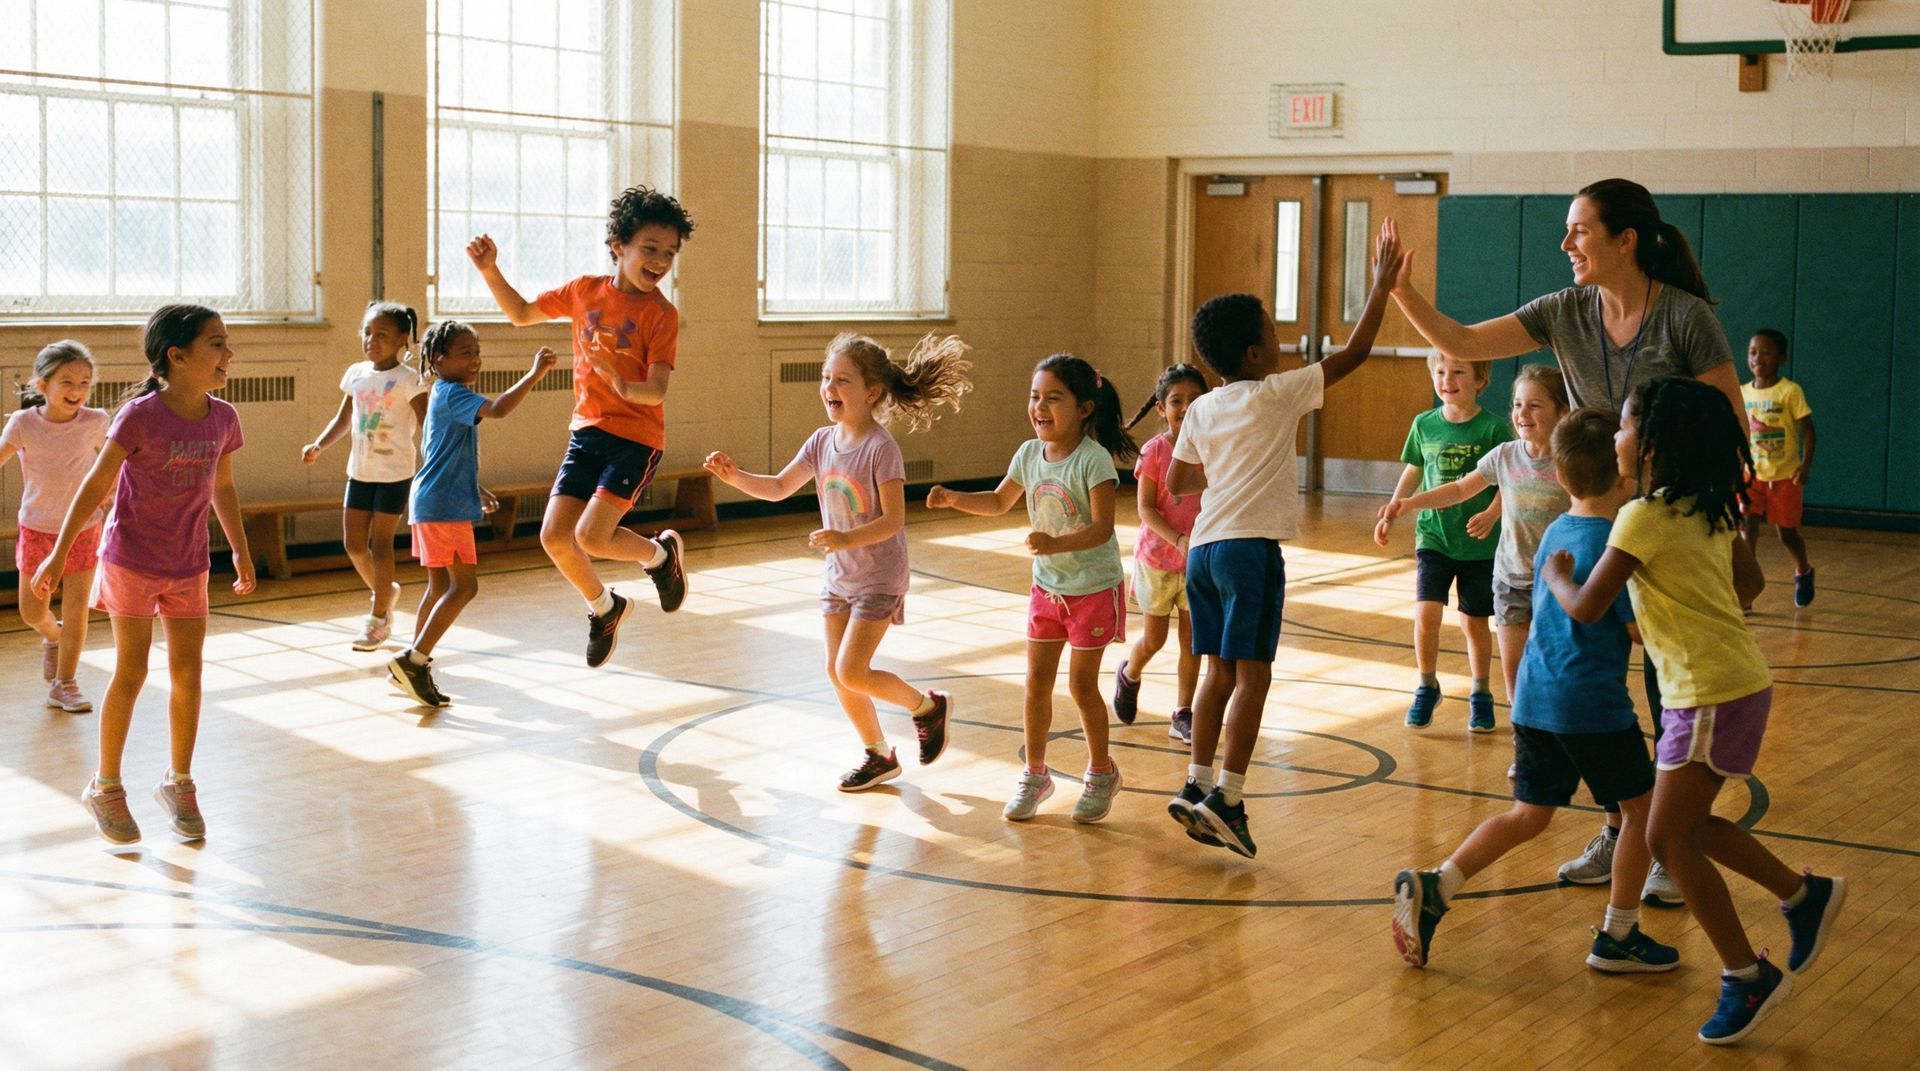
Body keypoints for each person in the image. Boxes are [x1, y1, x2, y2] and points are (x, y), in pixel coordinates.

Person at [1541, 376, 1845, 1046]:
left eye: (1623, 425)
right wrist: (1687, 604)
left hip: (1708, 692)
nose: (1616, 437)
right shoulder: (1708, 506)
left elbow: (1589, 604)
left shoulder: (1642, 515)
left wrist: (1557, 573)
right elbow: (1750, 583)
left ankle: (1746, 974)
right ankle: (1802, 895)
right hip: (1724, 686)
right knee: (1689, 826)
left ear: (1651, 443)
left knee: (1664, 837)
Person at [1393, 406, 1676, 976]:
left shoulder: (1556, 533)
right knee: (1643, 814)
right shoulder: (1615, 545)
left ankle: (1439, 883)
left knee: (1529, 814)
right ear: (1627, 478)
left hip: (1533, 699)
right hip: (1591, 705)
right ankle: (1619, 934)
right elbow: (1634, 629)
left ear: (1563, 476)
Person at [1162, 222, 1406, 858]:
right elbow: (1352, 354)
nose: (1281, 342)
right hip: (1249, 551)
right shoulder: (1277, 392)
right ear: (1253, 354)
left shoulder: (1202, 409)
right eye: (1274, 335)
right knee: (1255, 676)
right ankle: (1232, 801)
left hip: (1203, 551)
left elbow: (1181, 479)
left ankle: (1196, 782)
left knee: (1217, 672)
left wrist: (1228, 458)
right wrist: (1378, 285)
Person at [704, 332, 973, 791]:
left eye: (842, 380)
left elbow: (894, 520)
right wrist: (735, 476)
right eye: (826, 377)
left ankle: (927, 707)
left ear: (871, 393)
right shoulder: (821, 441)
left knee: (852, 670)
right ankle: (878, 755)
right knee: (836, 672)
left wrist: (844, 537)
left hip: (879, 577)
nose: (829, 387)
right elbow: (777, 488)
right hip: (839, 576)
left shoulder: (880, 448)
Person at [33, 305, 255, 844]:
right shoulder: (138, 416)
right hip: (130, 560)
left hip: (188, 563)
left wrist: (242, 553)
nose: (228, 354)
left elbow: (222, 487)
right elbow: (93, 485)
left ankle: (179, 781)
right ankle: (105, 786)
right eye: (216, 344)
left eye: (226, 344)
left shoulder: (224, 417)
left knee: (189, 674)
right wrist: (60, 553)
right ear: (176, 357)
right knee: (130, 673)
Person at [466, 185, 696, 668]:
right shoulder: (584, 291)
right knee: (554, 538)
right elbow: (521, 313)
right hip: (586, 434)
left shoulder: (661, 315)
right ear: (619, 245)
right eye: (649, 249)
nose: (659, 261)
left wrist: (618, 382)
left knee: (592, 537)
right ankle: (605, 607)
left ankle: (658, 557)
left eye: (669, 254)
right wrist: (490, 271)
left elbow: (656, 391)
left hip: (635, 440)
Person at [926, 355, 1137, 823]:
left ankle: (1101, 772)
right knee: (1035, 684)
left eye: (1053, 398)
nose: (1039, 406)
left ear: (1084, 408)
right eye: (1034, 396)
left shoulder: (1094, 461)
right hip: (1048, 590)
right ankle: (1035, 774)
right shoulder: (1027, 454)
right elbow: (1001, 500)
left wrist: (1056, 543)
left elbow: (1103, 529)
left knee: (1082, 687)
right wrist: (956, 497)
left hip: (1093, 590)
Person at [1381, 180, 1745, 421]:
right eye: (1566, 231)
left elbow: (1731, 418)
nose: (1566, 244)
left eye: (1581, 232)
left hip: (1667, 508)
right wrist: (1402, 292)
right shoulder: (1561, 311)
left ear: (1625, 240)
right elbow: (1464, 342)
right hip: (1594, 504)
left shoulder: (1684, 315)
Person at [1377, 363, 1570, 727]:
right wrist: (1410, 502)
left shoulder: (1570, 463)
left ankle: (1555, 736)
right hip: (1512, 581)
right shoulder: (1505, 455)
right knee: (1514, 674)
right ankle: (1524, 741)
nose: (1522, 414)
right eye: (1517, 405)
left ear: (1563, 411)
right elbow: (1460, 488)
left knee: (1553, 668)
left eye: (1534, 405)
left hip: (1557, 585)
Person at [386, 322, 557, 708]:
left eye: (476, 352)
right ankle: (413, 661)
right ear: (439, 359)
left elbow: (441, 455)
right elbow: (497, 409)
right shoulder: (455, 394)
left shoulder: (441, 394)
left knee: (438, 588)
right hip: (443, 508)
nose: (474, 359)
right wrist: (533, 375)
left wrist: (473, 487)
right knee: (464, 587)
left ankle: (411, 663)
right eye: (465, 353)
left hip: (432, 501)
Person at [1374, 351, 1508, 732]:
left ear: (1480, 379)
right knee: (1426, 615)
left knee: (1474, 624)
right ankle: (1427, 684)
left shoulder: (1494, 430)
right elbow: (1414, 469)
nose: (1447, 379)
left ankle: (1480, 693)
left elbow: (1508, 479)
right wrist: (1393, 510)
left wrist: (1493, 513)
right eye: (1440, 371)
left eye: (1459, 371)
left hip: (1477, 543)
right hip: (1433, 535)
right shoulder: (1424, 424)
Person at [300, 301, 428, 650]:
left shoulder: (409, 380)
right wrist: (319, 445)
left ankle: (379, 618)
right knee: (354, 545)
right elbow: (344, 420)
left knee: (381, 544)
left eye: (382, 334)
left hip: (395, 474)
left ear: (403, 338)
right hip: (359, 471)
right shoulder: (356, 373)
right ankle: (387, 592)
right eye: (367, 333)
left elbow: (428, 425)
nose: (372, 340)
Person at [1, 341, 109, 713]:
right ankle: (53, 636)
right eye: (67, 381)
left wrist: (110, 497)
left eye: (84, 381)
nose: (78, 390)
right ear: (42, 385)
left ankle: (65, 683)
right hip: (37, 527)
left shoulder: (96, 421)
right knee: (32, 611)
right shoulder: (23, 424)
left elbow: (112, 464)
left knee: (78, 607)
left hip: (83, 526)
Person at [1112, 363, 1210, 744]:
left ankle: (1183, 711)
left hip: (1198, 561)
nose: (1186, 407)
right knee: (1154, 639)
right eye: (1177, 401)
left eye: (1195, 400)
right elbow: (1146, 509)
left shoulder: (1213, 448)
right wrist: (1176, 538)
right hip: (1157, 560)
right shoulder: (1155, 451)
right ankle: (1130, 672)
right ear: (1160, 408)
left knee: (1192, 641)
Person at [1740, 329, 1816, 608]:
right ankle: (1746, 589)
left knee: (1787, 534)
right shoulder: (1742, 392)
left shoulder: (1790, 392)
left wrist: (1805, 465)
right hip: (1752, 476)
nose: (1758, 358)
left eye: (1766, 352)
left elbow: (1808, 430)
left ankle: (1804, 570)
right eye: (1753, 352)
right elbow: (1739, 432)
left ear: (1781, 359)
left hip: (1785, 476)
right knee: (1748, 527)